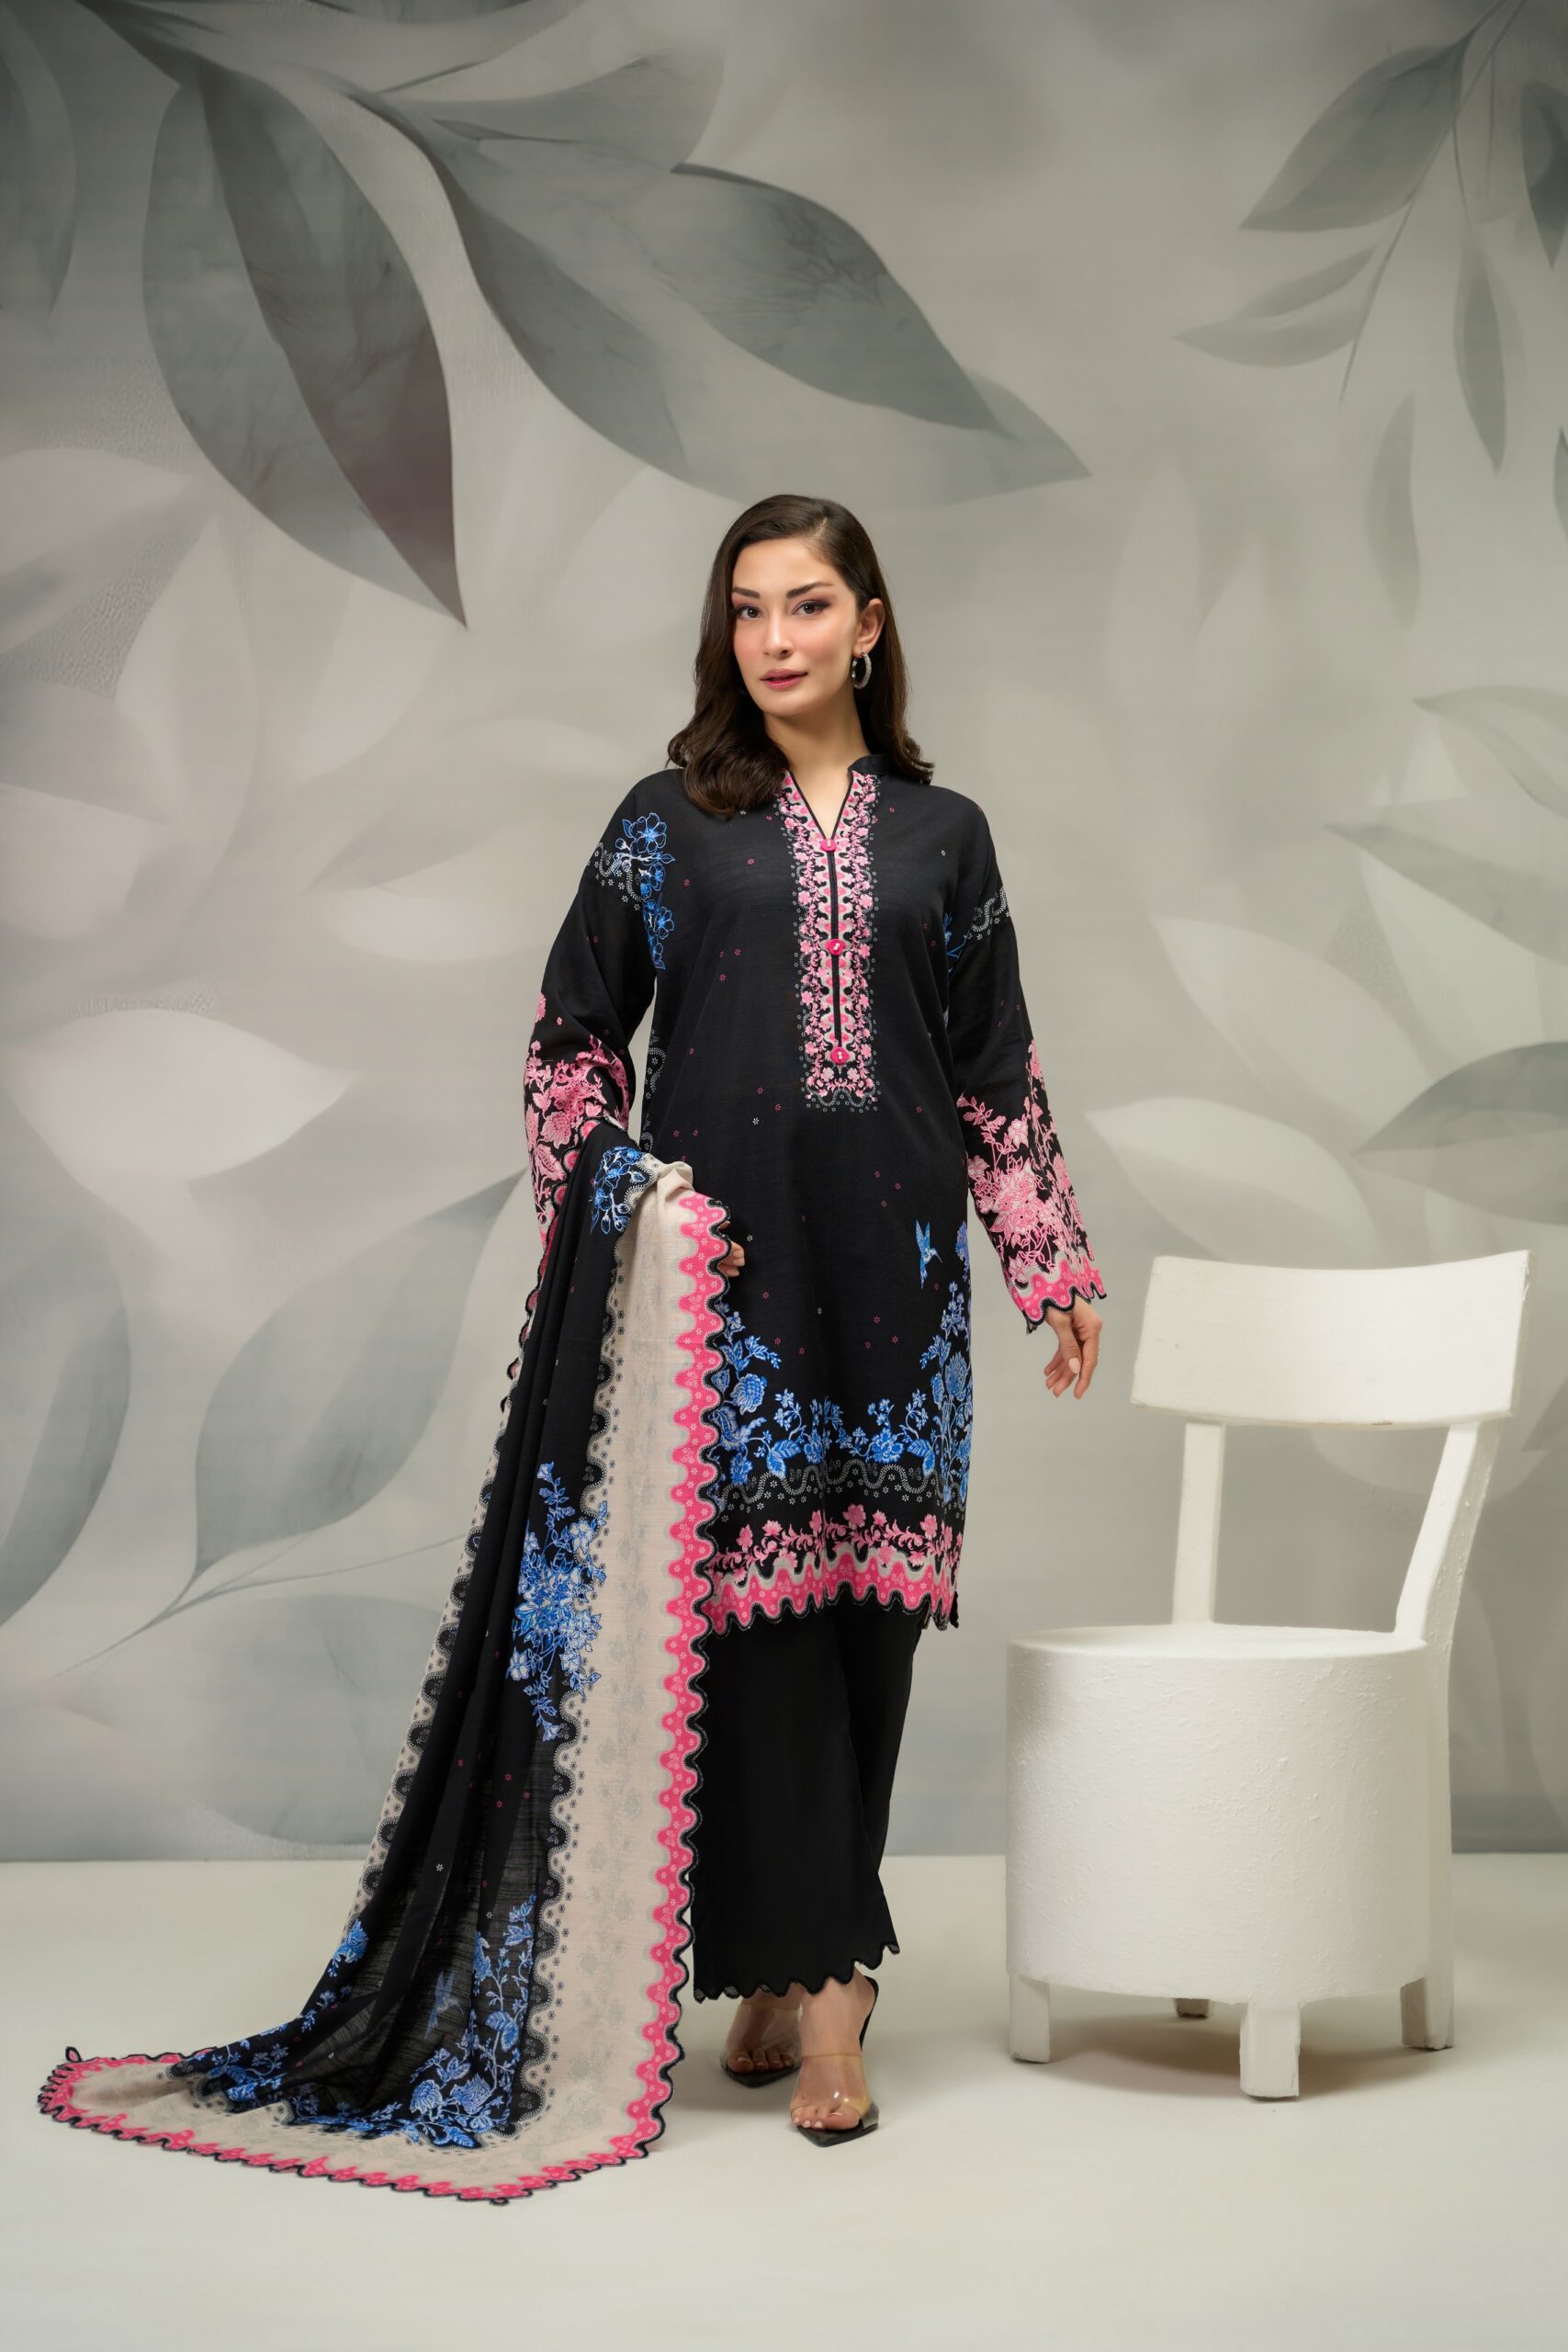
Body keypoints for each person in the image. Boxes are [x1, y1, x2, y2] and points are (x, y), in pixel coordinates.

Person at [524, 492, 1107, 2142]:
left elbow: (995, 1074)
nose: (773, 639)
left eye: (805, 605)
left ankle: (793, 1964)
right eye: (747, 609)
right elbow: (572, 1038)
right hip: (733, 1289)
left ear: (868, 624)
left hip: (900, 1287)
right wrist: (624, 1202)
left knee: (870, 1624)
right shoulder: (668, 822)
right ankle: (829, 1982)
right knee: (760, 1633)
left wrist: (1049, 1263)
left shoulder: (946, 837)